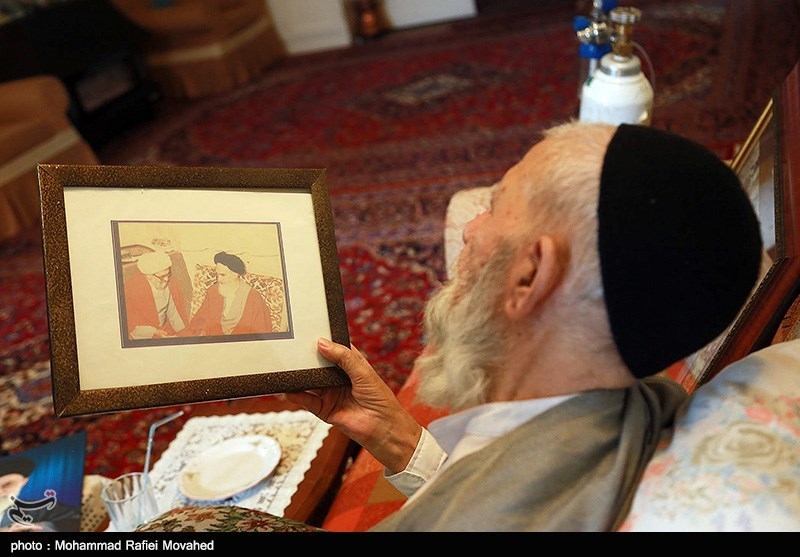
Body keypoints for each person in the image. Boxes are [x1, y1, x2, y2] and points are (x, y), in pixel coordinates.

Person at [285, 121, 763, 531]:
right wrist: (392, 435)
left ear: (530, 276)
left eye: (495, 206)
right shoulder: (634, 413)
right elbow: (498, 482)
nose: (470, 229)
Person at [180, 251, 272, 337]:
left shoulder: (253, 298)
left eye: (223, 275)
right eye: (217, 275)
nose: (219, 279)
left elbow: (261, 332)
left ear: (235, 274)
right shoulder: (213, 291)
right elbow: (199, 321)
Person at [0, 456, 81, 532]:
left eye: (7, 484)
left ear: (24, 482)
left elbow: (77, 520)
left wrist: (37, 528)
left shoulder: (43, 510)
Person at [124, 251, 190, 340]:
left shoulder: (171, 282)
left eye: (168, 274)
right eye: (162, 276)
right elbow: (130, 324)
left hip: (163, 329)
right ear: (148, 276)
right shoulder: (133, 288)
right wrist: (154, 332)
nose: (166, 279)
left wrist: (184, 334)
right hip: (143, 334)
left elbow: (173, 312)